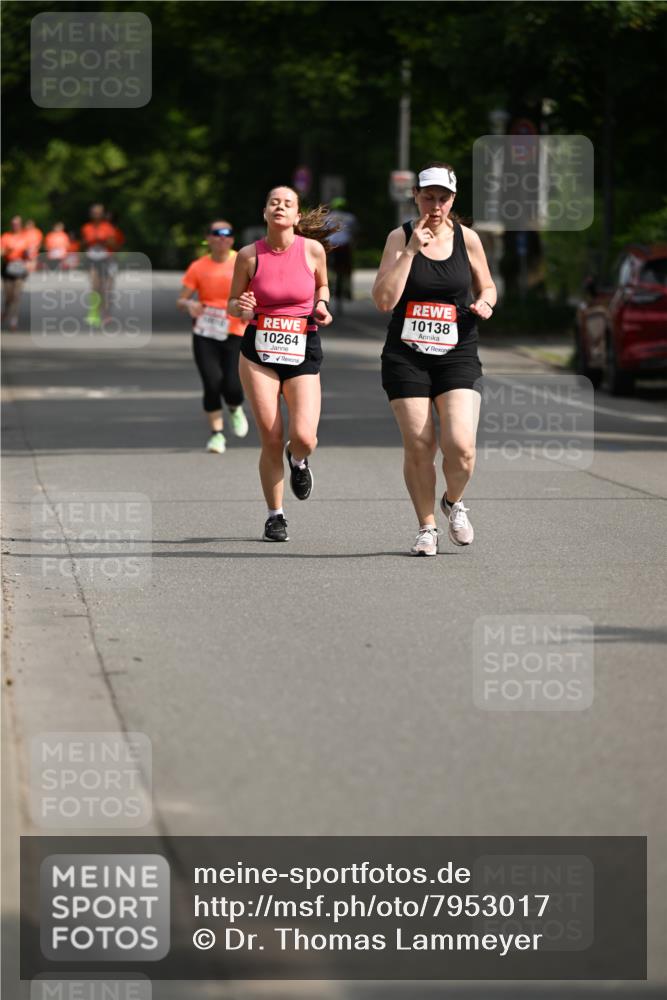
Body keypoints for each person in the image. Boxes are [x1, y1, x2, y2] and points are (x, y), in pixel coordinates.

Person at [372, 161, 497, 557]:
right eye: (428, 196)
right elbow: (383, 300)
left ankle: (452, 502)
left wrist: (486, 302)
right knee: (421, 443)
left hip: (457, 351)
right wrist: (410, 251)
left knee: (460, 446)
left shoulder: (469, 239)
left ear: (453, 199)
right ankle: (427, 527)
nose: (435, 205)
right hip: (406, 355)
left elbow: (488, 285)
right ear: (416, 196)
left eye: (443, 198)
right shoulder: (399, 237)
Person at [228, 186, 334, 542]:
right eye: (274, 202)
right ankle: (276, 516)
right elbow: (233, 303)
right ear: (265, 212)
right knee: (271, 437)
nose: (280, 207)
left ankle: (299, 460)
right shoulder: (248, 255)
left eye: (288, 203)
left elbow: (323, 287)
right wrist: (241, 308)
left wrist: (321, 305)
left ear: (297, 216)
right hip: (259, 350)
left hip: (302, 345)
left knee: (304, 436)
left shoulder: (313, 251)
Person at [177, 220, 250, 453]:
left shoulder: (243, 261)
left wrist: (250, 310)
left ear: (232, 238)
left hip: (235, 331)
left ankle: (235, 407)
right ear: (207, 238)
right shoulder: (199, 266)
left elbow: (256, 293)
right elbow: (181, 300)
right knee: (211, 382)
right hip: (205, 332)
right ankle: (216, 435)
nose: (222, 237)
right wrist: (190, 305)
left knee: (232, 385)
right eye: (217, 233)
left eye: (228, 233)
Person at [80, 203, 123, 326]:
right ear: (91, 214)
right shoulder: (86, 228)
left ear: (103, 214)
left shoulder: (108, 228)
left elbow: (116, 246)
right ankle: (93, 313)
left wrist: (105, 241)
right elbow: (81, 245)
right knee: (94, 287)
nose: (96, 215)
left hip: (106, 259)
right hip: (92, 259)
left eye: (99, 212)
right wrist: (87, 241)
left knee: (106, 289)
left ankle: (106, 314)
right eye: (94, 212)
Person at [327, 196, 358, 313]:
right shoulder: (350, 217)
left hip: (331, 246)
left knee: (327, 270)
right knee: (346, 270)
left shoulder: (327, 217)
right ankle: (347, 290)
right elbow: (354, 232)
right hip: (344, 246)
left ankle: (328, 289)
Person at [1, 215, 30, 330]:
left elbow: (28, 255)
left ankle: (14, 320)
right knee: (9, 296)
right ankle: (5, 311)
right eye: (13, 224)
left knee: (17, 295)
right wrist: (8, 250)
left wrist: (27, 256)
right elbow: (1, 252)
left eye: (17, 224)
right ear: (11, 225)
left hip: (20, 267)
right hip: (8, 267)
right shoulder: (5, 237)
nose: (15, 226)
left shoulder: (25, 237)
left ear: (20, 225)